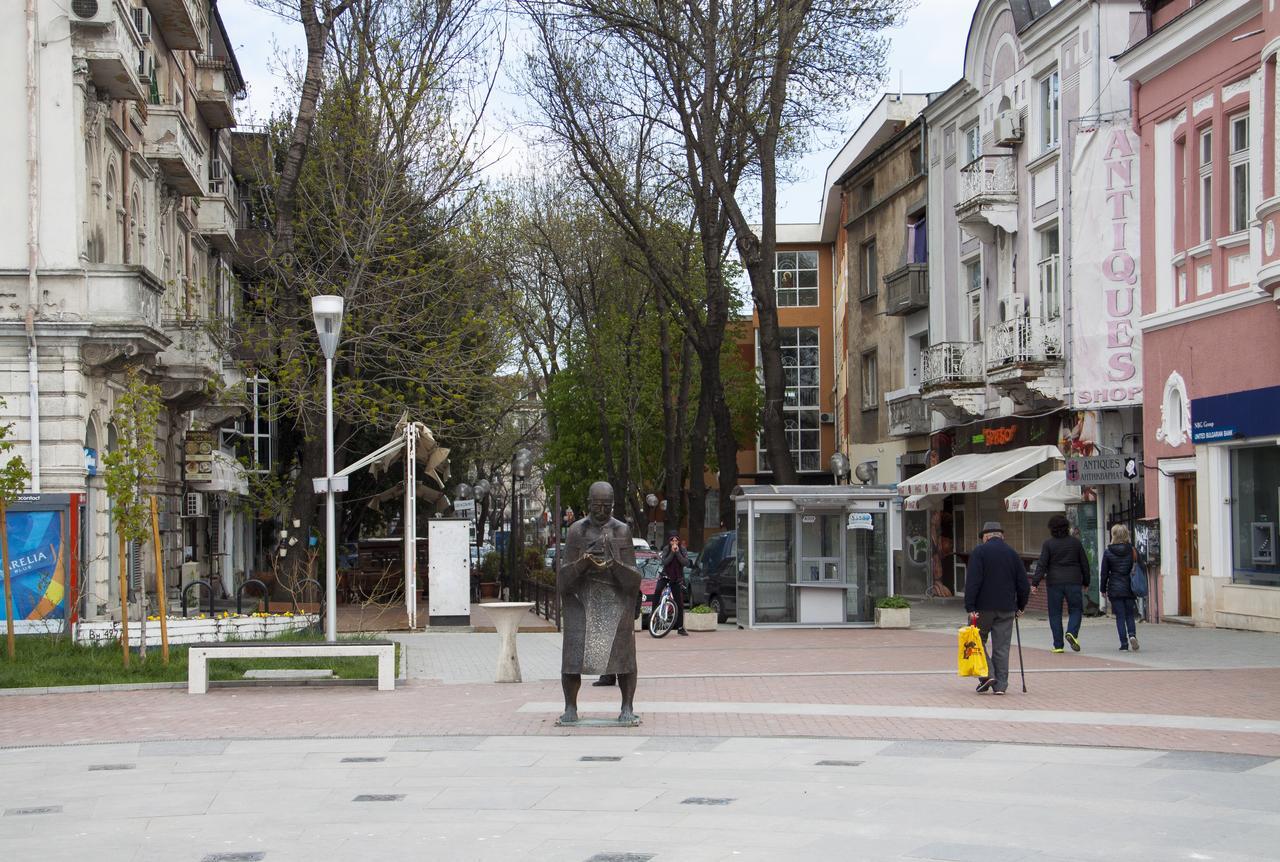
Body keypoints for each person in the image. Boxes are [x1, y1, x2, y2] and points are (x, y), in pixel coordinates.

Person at [557, 481, 642, 723]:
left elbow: (634, 577)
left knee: (625, 655)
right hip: (582, 597)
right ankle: (570, 707)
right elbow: (563, 577)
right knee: (573, 654)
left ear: (613, 505)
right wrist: (584, 562)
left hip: (615, 595)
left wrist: (614, 563)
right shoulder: (576, 531)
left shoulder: (621, 531)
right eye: (597, 506)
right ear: (588, 505)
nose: (602, 511)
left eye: (607, 506)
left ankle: (627, 706)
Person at [964, 521, 1030, 695]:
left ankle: (987, 675)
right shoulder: (1012, 554)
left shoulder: (979, 552)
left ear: (985, 537)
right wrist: (1020, 606)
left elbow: (973, 581)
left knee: (976, 641)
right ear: (1002, 536)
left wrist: (970, 606)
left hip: (982, 607)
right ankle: (1000, 685)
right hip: (1007, 608)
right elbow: (1023, 584)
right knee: (1002, 647)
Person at [1030, 514, 1091, 653]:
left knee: (1055, 613)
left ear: (1051, 528)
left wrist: (1035, 583)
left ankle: (1058, 645)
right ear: (1067, 527)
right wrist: (1086, 581)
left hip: (1054, 582)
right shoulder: (1075, 543)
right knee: (1076, 610)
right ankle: (1072, 633)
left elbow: (1042, 564)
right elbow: (1084, 564)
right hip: (1074, 581)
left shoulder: (1048, 544)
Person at [1100, 523, 1139, 652]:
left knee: (1120, 617)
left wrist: (1103, 589)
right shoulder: (1132, 550)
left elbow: (1104, 573)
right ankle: (1132, 635)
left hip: (1115, 587)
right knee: (1129, 615)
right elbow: (1138, 566)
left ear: (1113, 535)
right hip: (1129, 586)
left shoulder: (1108, 552)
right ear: (1126, 534)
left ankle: (1124, 644)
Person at [652, 530, 690, 636]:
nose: (674, 542)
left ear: (678, 540)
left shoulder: (682, 549)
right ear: (669, 541)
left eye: (676, 540)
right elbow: (664, 562)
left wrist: (677, 552)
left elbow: (685, 562)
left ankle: (680, 627)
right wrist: (672, 552)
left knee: (679, 602)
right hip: (665, 576)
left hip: (676, 578)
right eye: (672, 540)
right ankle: (654, 620)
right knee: (657, 591)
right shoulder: (666, 549)